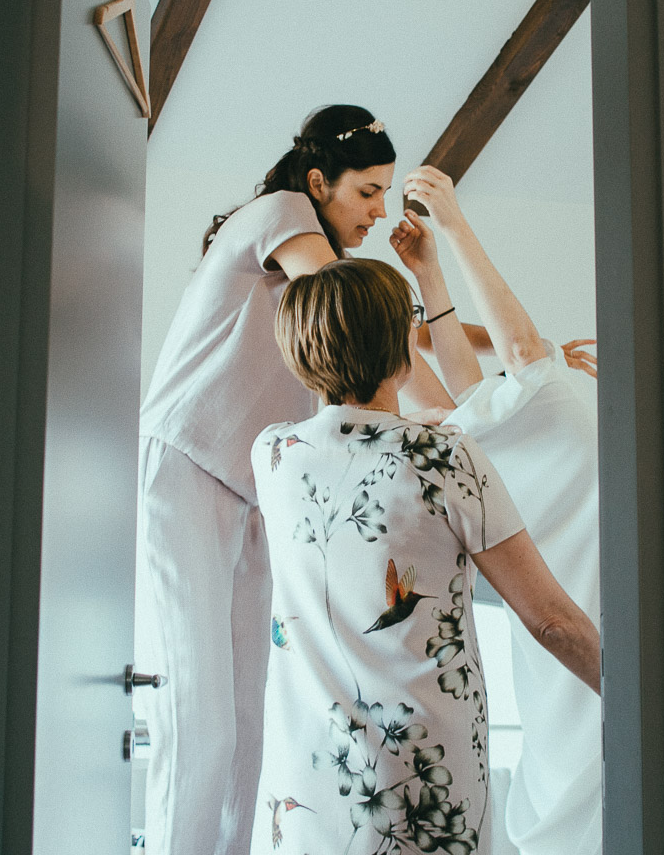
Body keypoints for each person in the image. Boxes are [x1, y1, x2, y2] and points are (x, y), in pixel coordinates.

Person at [135, 106, 450, 855]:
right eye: (368, 193)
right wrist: (445, 410)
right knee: (200, 717)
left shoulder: (321, 256)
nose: (379, 211)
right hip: (186, 464)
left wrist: (505, 355)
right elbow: (355, 313)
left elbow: (395, 329)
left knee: (250, 718)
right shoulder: (278, 213)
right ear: (319, 182)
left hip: (252, 489)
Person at [249, 257, 599, 855]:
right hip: (425, 778)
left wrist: (414, 423)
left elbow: (354, 444)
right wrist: (643, 703)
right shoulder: (445, 458)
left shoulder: (274, 453)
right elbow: (551, 621)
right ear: (400, 346)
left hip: (312, 776)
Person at [389, 165, 603, 855]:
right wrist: (452, 226)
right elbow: (510, 357)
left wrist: (430, 276)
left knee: (576, 770)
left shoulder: (468, 437)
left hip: (578, 622)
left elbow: (474, 378)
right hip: (574, 629)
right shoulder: (486, 430)